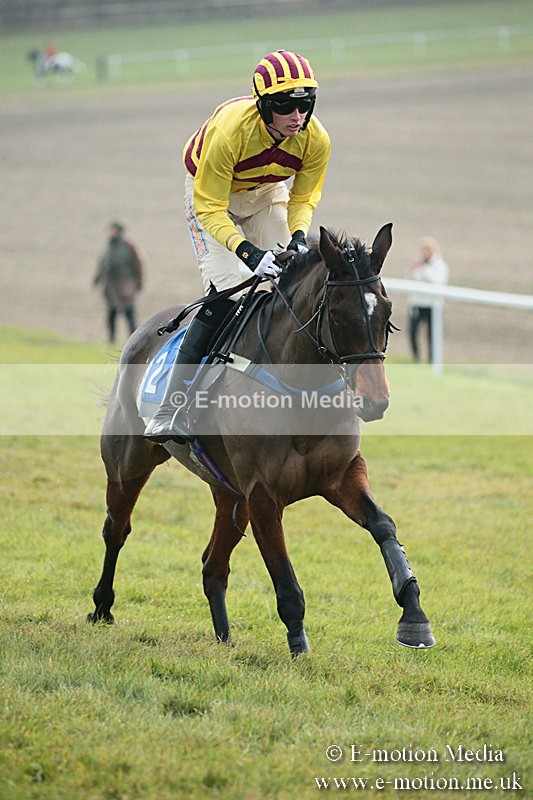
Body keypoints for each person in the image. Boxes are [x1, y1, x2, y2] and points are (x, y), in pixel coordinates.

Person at [145, 49, 331, 442]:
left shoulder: (316, 140)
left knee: (299, 275)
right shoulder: (231, 131)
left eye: (305, 103)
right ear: (264, 106)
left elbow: (302, 200)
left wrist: (297, 238)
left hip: (266, 193)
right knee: (228, 290)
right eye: (286, 105)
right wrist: (249, 254)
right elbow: (210, 209)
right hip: (213, 199)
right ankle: (171, 405)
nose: (297, 115)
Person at [93, 221, 144, 344]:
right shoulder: (109, 247)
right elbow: (102, 265)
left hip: (125, 285)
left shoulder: (128, 246)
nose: (111, 233)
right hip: (111, 287)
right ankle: (111, 339)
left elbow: (139, 265)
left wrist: (139, 283)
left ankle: (134, 339)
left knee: (129, 312)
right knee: (111, 313)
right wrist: (96, 280)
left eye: (113, 230)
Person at [407, 236, 449, 362]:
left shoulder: (440, 265)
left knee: (432, 335)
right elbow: (410, 279)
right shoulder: (416, 263)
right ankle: (416, 358)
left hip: (433, 305)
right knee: (413, 332)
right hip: (417, 304)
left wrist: (424, 269)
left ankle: (433, 360)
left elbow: (438, 281)